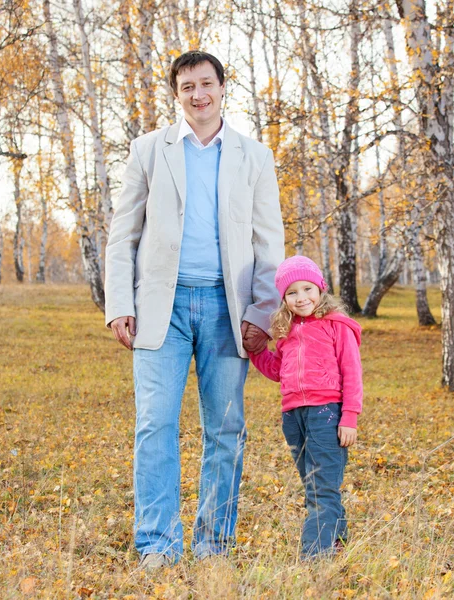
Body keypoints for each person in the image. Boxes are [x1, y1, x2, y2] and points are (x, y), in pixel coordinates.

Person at [105, 50, 284, 569]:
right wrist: (120, 302)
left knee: (225, 429)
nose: (198, 94)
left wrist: (261, 312)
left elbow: (269, 242)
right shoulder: (147, 150)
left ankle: (213, 544)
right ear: (176, 94)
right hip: (162, 307)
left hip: (228, 311)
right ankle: (157, 544)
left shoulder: (254, 156)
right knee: (154, 425)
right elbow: (123, 237)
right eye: (187, 87)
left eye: (206, 84)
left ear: (223, 89)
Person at [246, 255, 363, 558]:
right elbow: (278, 371)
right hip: (293, 416)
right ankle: (337, 541)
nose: (301, 298)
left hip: (327, 413)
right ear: (283, 298)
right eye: (292, 292)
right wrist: (258, 352)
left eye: (307, 288)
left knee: (322, 486)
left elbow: (352, 373)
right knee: (313, 483)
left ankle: (315, 555)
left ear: (320, 288)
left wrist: (349, 417)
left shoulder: (337, 326)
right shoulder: (286, 331)